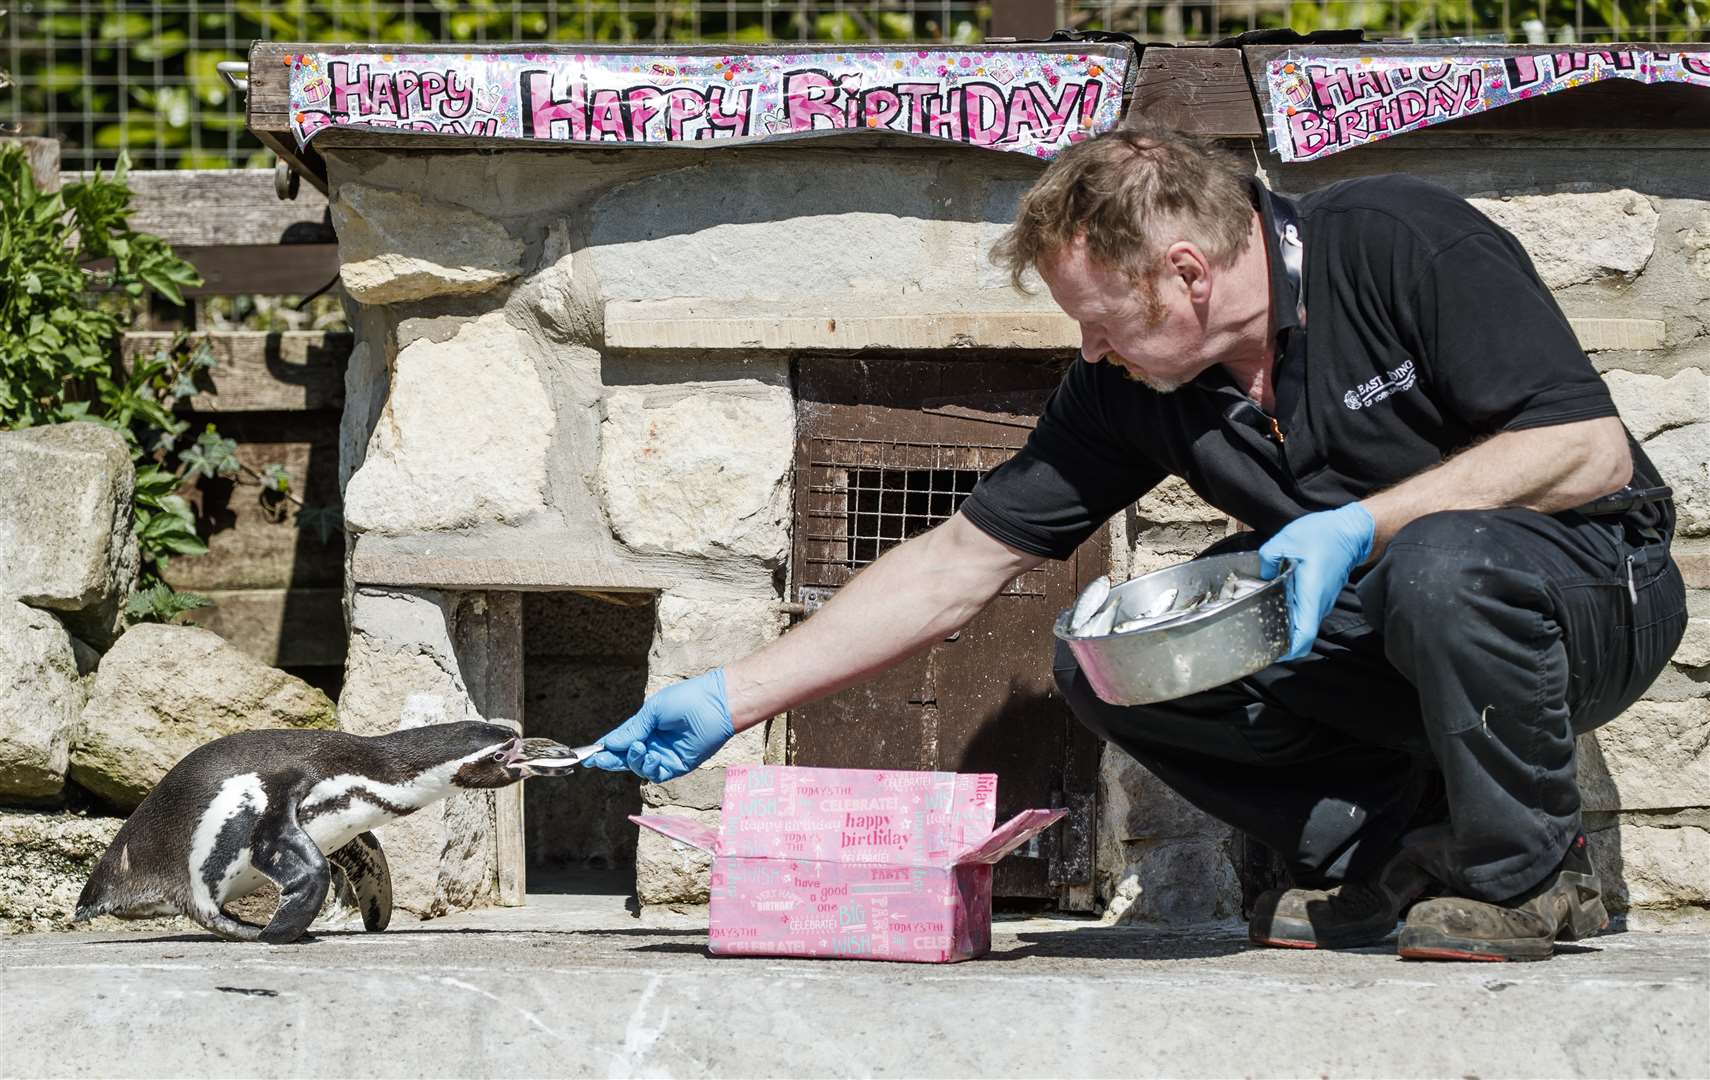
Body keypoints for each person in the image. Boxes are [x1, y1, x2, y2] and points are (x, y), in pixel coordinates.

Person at [586, 126, 1686, 962]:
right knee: (1111, 653)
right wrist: (734, 695)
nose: (1089, 346)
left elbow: (1587, 450)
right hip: (1393, 631)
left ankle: (1529, 875)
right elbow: (958, 562)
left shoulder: (1398, 242)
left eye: (1101, 316)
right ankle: (1392, 857)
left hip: (1588, 592)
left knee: (1444, 559)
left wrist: (1363, 521)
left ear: (1185, 271)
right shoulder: (1126, 387)